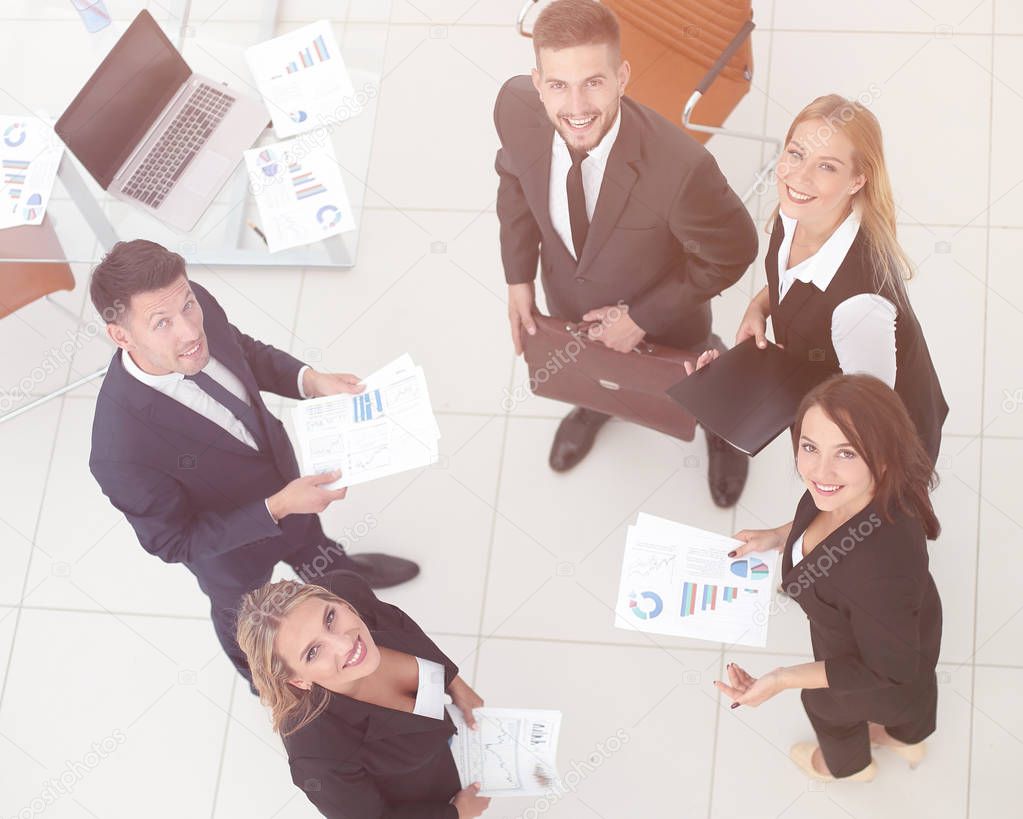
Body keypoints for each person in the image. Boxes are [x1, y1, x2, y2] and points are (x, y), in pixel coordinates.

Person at [88, 240, 418, 684]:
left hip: (288, 485)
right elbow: (174, 542)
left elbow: (244, 353)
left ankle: (343, 578)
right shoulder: (120, 448)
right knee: (245, 622)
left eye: (187, 305)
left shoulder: (191, 301)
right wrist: (277, 507)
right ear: (122, 335)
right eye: (162, 322)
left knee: (316, 550)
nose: (189, 330)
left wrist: (310, 380)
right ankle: (265, 682)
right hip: (233, 556)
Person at [495, 0, 758, 507]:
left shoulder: (682, 168)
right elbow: (513, 178)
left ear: (622, 76)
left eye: (593, 82)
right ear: (537, 81)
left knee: (701, 368)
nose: (575, 107)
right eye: (558, 85)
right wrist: (518, 276)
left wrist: (640, 317)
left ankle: (723, 430)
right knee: (591, 365)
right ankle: (597, 403)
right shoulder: (515, 106)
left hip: (666, 318)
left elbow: (733, 251)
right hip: (568, 294)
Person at [687, 93, 947, 462]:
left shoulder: (860, 308)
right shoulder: (798, 212)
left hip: (877, 441)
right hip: (822, 380)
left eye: (826, 166)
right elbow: (793, 281)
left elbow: (865, 419)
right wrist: (760, 306)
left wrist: (746, 400)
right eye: (796, 153)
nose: (800, 177)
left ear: (857, 180)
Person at [715, 374, 942, 782]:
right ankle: (905, 737)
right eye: (810, 447)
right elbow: (822, 523)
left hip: (877, 661)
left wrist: (781, 679)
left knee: (824, 706)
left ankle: (850, 768)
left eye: (846, 453)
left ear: (884, 456)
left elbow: (887, 669)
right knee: (912, 697)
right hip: (904, 628)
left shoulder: (878, 569)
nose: (820, 471)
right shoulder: (854, 492)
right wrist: (780, 536)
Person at [237, 570, 491, 818]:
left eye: (330, 618)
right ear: (299, 680)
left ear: (338, 601)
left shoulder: (348, 589)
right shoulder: (318, 755)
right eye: (313, 652)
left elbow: (410, 634)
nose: (346, 645)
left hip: (450, 741)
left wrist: (455, 683)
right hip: (425, 794)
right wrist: (456, 813)